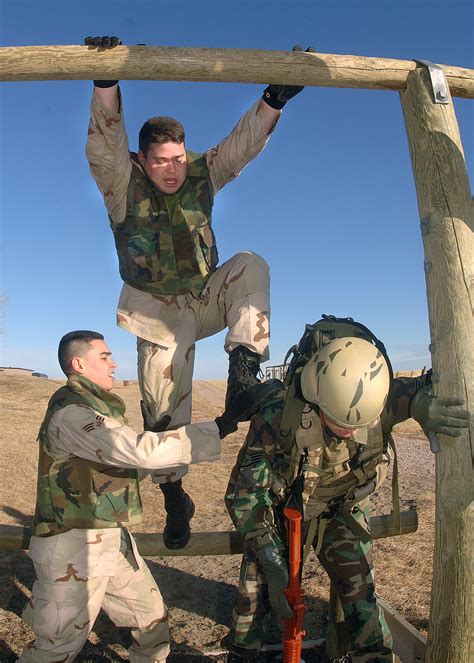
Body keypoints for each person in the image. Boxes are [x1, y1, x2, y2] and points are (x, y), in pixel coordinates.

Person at [85, 35, 314, 549]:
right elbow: (103, 143)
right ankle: (175, 495)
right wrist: (104, 80)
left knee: (251, 264)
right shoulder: (122, 184)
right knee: (163, 411)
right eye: (161, 160)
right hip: (155, 310)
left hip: (203, 296)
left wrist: (274, 99)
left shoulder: (201, 176)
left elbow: (240, 145)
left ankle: (244, 373)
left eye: (179, 158)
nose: (173, 169)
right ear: (143, 161)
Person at [224, 316, 470, 662]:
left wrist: (420, 404)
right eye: (342, 425)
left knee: (363, 607)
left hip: (341, 512)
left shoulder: (377, 393)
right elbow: (244, 495)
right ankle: (242, 654)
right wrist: (271, 558)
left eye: (360, 425)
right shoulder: (280, 415)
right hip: (281, 516)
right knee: (253, 603)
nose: (354, 433)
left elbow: (416, 390)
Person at [18, 329, 252, 663]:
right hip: (72, 549)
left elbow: (121, 468)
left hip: (108, 541)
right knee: (59, 646)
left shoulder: (95, 409)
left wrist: (160, 441)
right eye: (105, 356)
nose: (114, 364)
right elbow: (135, 452)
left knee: (151, 619)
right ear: (78, 364)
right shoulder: (72, 414)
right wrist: (221, 426)